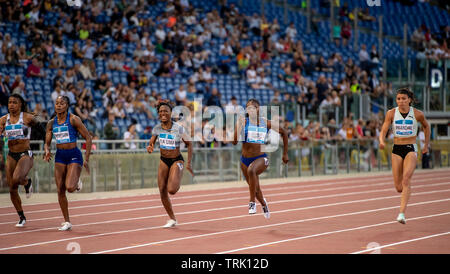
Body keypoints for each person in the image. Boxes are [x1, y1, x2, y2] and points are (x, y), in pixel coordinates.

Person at [379, 87, 430, 224]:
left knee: (406, 179)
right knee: (399, 187)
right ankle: (405, 192)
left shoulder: (417, 114)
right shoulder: (391, 113)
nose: (400, 101)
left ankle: (401, 213)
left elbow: (426, 126)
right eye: (398, 99)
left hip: (411, 148)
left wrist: (426, 145)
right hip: (396, 149)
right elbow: (384, 128)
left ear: (410, 100)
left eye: (403, 99)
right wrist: (381, 141)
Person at [233, 99, 289, 218]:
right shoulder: (243, 122)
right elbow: (234, 142)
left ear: (259, 109)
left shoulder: (266, 123)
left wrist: (285, 154)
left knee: (252, 171)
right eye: (248, 108)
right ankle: (263, 204)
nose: (251, 110)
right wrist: (238, 128)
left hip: (261, 158)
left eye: (254, 107)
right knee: (255, 188)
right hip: (245, 160)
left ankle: (251, 203)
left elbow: (284, 132)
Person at [43, 95, 92, 231]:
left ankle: (76, 183)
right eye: (57, 103)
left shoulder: (73, 119)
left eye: (62, 103)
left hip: (73, 155)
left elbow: (88, 137)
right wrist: (47, 150)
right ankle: (67, 221)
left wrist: (86, 159)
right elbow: (47, 143)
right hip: (60, 156)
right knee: (60, 190)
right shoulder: (51, 123)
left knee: (70, 187)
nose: (58, 105)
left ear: (67, 106)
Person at [146, 100, 193, 228]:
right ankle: (172, 219)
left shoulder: (178, 128)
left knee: (171, 190)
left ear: (171, 113)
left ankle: (177, 175)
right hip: (163, 160)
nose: (163, 113)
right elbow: (151, 142)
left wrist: (189, 163)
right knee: (162, 190)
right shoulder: (157, 128)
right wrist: (150, 147)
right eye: (161, 111)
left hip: (176, 159)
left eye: (165, 111)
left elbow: (189, 144)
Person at [0, 94, 43, 227]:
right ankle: (21, 216)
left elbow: (42, 129)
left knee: (17, 178)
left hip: (25, 153)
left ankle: (27, 181)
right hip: (11, 154)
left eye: (14, 102)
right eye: (9, 102)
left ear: (20, 105)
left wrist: (45, 146)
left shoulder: (27, 117)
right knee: (12, 187)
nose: (11, 105)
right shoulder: (3, 120)